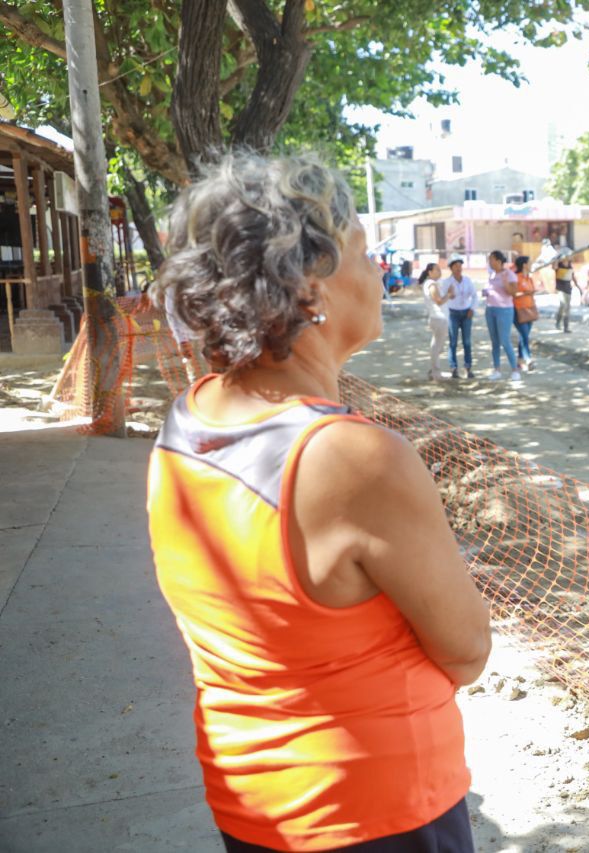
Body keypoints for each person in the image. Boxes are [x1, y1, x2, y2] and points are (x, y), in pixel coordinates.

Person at [148, 153, 491, 852]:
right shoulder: (351, 458)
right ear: (311, 286)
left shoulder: (188, 422)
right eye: (362, 253)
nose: (377, 275)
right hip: (378, 811)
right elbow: (466, 649)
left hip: (252, 799)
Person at [482, 250, 520, 381]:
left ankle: (515, 369)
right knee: (495, 342)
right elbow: (491, 289)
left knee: (505, 340)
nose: (489, 262)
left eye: (491, 259)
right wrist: (486, 292)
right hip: (490, 309)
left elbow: (514, 293)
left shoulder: (509, 274)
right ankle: (497, 369)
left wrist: (505, 284)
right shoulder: (491, 275)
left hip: (504, 310)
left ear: (499, 261)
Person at [443, 257, 477, 379]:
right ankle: (453, 368)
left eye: (460, 265)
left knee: (467, 342)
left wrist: (472, 308)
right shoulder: (447, 282)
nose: (458, 268)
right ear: (451, 268)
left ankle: (468, 368)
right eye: (455, 266)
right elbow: (442, 298)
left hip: (467, 313)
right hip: (453, 314)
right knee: (453, 342)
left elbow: (474, 296)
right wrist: (449, 296)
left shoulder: (467, 280)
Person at [418, 262, 450, 380]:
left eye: (439, 269)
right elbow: (439, 300)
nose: (439, 271)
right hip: (438, 318)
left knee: (438, 346)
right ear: (430, 272)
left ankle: (435, 370)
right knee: (437, 346)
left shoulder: (432, 284)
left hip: (438, 317)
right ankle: (435, 372)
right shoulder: (431, 284)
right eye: (436, 269)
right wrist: (449, 295)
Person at [512, 255, 538, 371]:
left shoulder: (529, 278)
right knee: (524, 335)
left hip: (529, 310)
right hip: (518, 310)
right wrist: (526, 293)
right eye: (529, 262)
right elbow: (513, 294)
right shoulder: (516, 278)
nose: (531, 264)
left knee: (524, 336)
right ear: (524, 265)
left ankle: (520, 360)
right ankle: (528, 359)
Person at [553, 256, 582, 332]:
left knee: (566, 307)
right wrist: (556, 260)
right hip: (560, 289)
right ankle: (559, 323)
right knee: (563, 306)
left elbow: (573, 277)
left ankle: (565, 326)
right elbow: (554, 267)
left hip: (568, 289)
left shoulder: (570, 267)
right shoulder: (558, 266)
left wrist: (578, 287)